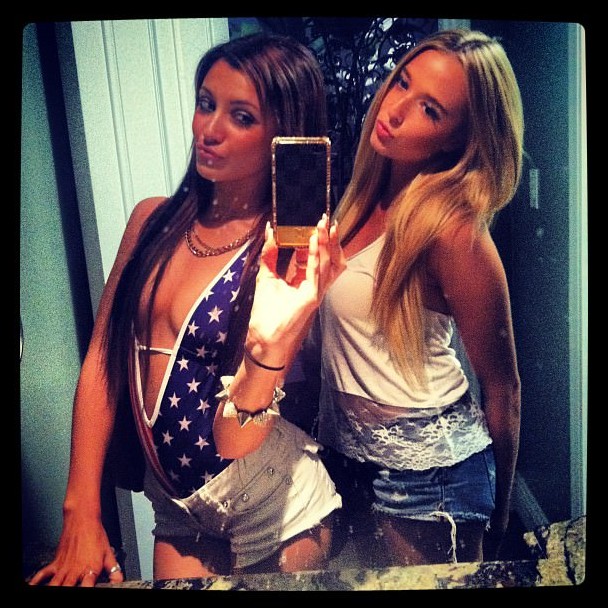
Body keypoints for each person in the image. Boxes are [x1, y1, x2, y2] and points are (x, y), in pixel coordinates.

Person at [29, 32, 345, 587]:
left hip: (274, 506)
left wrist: (269, 346)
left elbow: (234, 440)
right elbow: (103, 361)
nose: (209, 129)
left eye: (241, 116)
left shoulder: (283, 253)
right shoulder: (151, 220)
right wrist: (81, 509)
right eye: (206, 103)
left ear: (284, 135)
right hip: (178, 507)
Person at [311, 28, 523, 566]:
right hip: (347, 458)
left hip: (432, 478)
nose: (396, 109)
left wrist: (501, 518)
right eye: (402, 83)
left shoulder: (454, 232)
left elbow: (503, 386)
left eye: (430, 109)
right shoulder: (361, 197)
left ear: (457, 139)